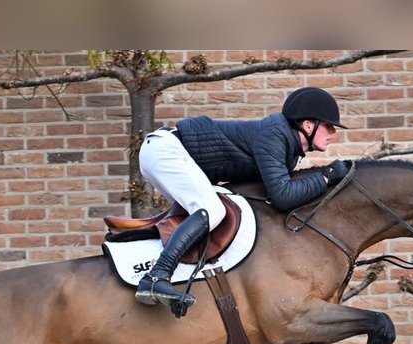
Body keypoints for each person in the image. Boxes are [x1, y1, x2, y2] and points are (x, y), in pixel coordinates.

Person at [135, 86, 351, 314]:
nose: (333, 132)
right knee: (212, 210)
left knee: (207, 223)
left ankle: (174, 285)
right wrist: (326, 176)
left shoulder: (287, 146)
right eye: (329, 125)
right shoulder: (275, 135)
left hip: (166, 153)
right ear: (308, 125)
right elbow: (283, 196)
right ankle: (157, 276)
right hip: (165, 150)